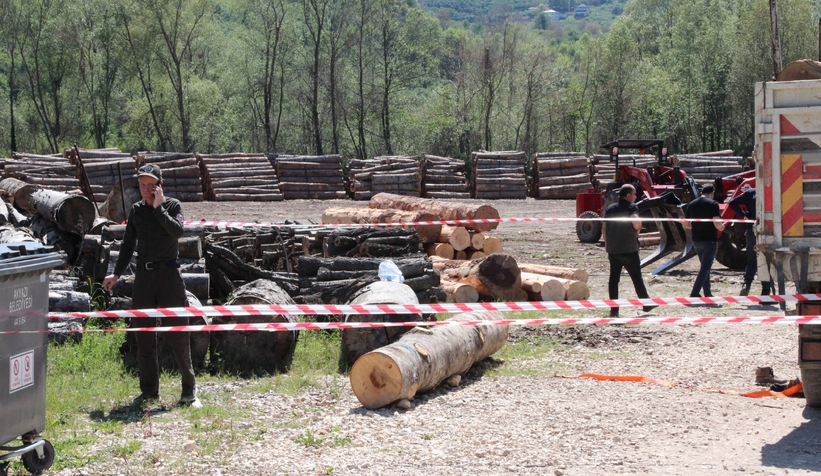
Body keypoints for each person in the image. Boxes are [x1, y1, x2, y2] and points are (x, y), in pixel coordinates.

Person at [102, 164, 198, 407]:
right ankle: (149, 392)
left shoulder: (172, 206)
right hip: (144, 279)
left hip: (169, 277)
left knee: (178, 335)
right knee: (144, 337)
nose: (146, 189)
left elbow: (177, 232)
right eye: (142, 185)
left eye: (150, 185)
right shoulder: (135, 211)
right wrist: (116, 274)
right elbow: (127, 245)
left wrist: (158, 209)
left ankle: (189, 389)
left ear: (160, 185)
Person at [603, 184, 656, 317]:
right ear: (628, 196)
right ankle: (646, 303)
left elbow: (604, 227)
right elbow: (636, 222)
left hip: (614, 250)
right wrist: (638, 230)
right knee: (636, 278)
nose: (636, 196)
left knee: (614, 280)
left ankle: (614, 310)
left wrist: (607, 244)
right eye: (634, 194)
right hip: (629, 249)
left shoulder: (610, 209)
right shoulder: (632, 207)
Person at [682, 185, 724, 298]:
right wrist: (722, 227)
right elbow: (717, 222)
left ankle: (707, 292)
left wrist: (694, 228)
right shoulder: (713, 204)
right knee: (706, 267)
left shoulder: (692, 204)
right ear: (712, 193)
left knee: (704, 267)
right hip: (710, 239)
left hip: (696, 239)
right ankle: (695, 292)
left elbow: (685, 223)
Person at [729, 185, 771, 296]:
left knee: (752, 261)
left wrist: (744, 216)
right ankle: (766, 292)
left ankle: (746, 285)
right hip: (769, 232)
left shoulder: (750, 193)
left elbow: (732, 203)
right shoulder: (773, 191)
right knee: (766, 261)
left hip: (752, 231)